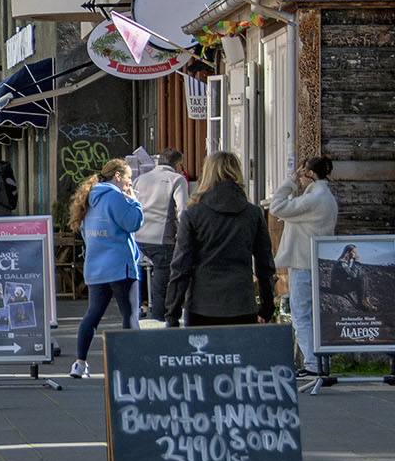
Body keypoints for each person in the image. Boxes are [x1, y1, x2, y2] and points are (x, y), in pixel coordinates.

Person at [164, 151, 275, 327]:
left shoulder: (193, 214)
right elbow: (265, 264)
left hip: (202, 305)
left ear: (207, 174)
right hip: (242, 303)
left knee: (203, 353)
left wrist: (172, 313)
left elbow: (181, 266)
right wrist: (267, 305)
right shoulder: (253, 214)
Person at [69, 159, 144, 379]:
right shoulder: (114, 196)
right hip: (121, 266)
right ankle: (132, 364)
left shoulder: (90, 197)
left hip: (96, 267)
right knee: (129, 316)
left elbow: (84, 231)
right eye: (129, 179)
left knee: (92, 315)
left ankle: (79, 363)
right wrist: (135, 201)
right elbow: (133, 223)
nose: (129, 184)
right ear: (118, 176)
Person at [268, 156, 338, 372]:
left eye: (303, 172)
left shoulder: (313, 199)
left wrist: (289, 181)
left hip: (304, 264)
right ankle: (321, 362)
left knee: (302, 315)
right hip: (318, 263)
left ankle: (312, 363)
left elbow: (276, 207)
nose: (300, 176)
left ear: (310, 174)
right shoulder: (326, 197)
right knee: (315, 316)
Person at [135, 149, 189, 322]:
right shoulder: (177, 179)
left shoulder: (140, 179)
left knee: (143, 274)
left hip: (139, 237)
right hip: (162, 239)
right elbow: (183, 211)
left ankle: (139, 308)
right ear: (177, 164)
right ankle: (160, 319)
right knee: (162, 283)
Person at [331, 245, 373, 311]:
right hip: (338, 286)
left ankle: (366, 300)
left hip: (342, 284)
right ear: (348, 252)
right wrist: (356, 263)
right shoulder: (342, 262)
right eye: (354, 252)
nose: (356, 254)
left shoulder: (346, 261)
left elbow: (354, 274)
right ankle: (361, 303)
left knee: (363, 276)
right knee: (360, 279)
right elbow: (353, 275)